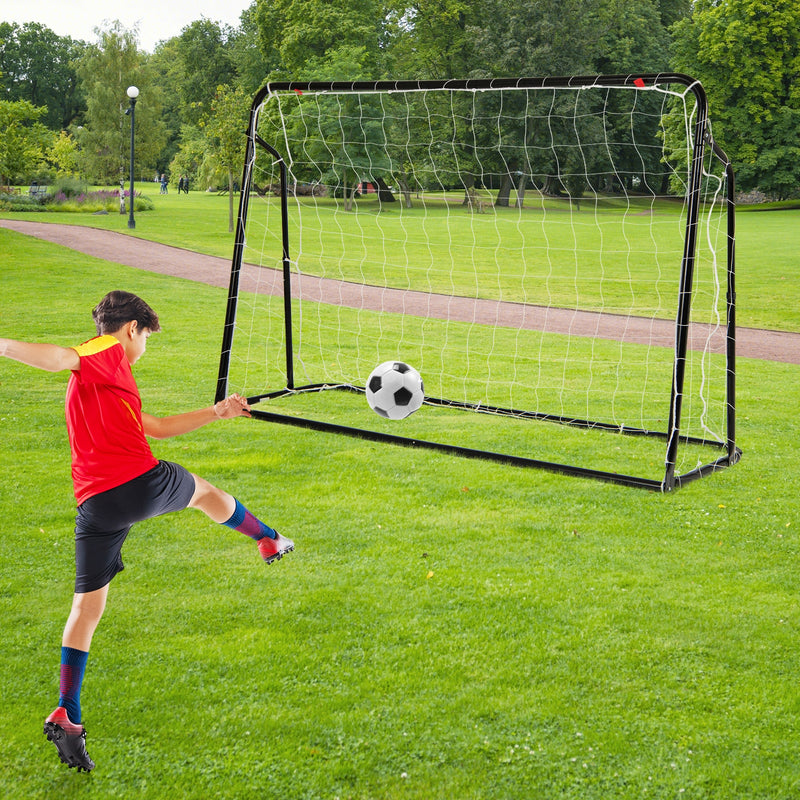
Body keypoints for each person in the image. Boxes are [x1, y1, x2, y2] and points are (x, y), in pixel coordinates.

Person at [0, 291, 294, 773]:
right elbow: (60, 358)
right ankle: (268, 538)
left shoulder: (108, 379)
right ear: (133, 328)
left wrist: (216, 412)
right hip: (138, 484)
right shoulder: (104, 352)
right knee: (205, 494)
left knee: (86, 608)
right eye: (147, 338)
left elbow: (153, 426)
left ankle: (67, 712)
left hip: (95, 505)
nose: (144, 348)